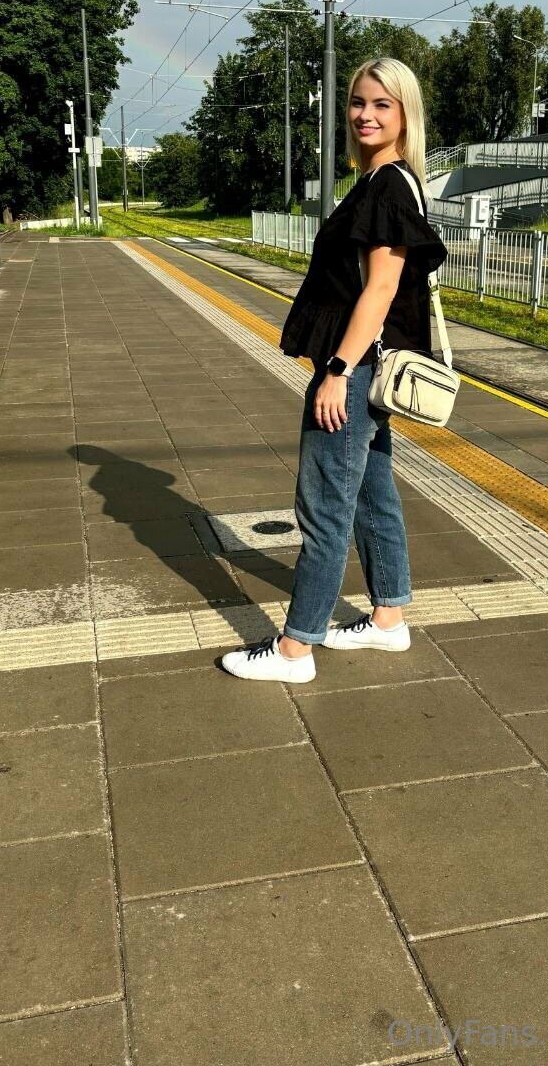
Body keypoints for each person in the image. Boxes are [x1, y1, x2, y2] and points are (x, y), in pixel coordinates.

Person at [222, 58, 448, 684]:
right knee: (374, 494)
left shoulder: (388, 187)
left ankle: (296, 649)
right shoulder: (380, 181)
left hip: (357, 367)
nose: (365, 115)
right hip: (368, 368)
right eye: (357, 102)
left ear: (405, 114)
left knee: (323, 508)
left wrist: (338, 370)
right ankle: (389, 618)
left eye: (381, 104)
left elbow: (380, 290)